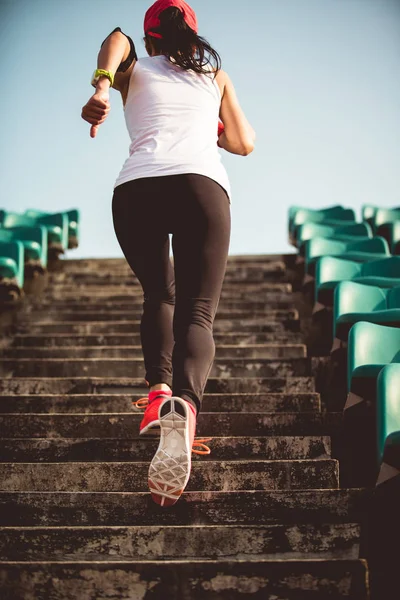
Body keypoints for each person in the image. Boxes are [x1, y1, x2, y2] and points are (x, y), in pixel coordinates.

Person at [81, 0, 255, 507]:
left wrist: (100, 85)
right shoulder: (214, 75)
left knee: (160, 293)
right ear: (193, 35)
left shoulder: (133, 67)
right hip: (201, 187)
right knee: (198, 311)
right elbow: (244, 143)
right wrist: (208, 128)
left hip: (136, 189)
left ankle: (158, 391)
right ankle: (186, 405)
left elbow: (115, 37)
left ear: (150, 37)